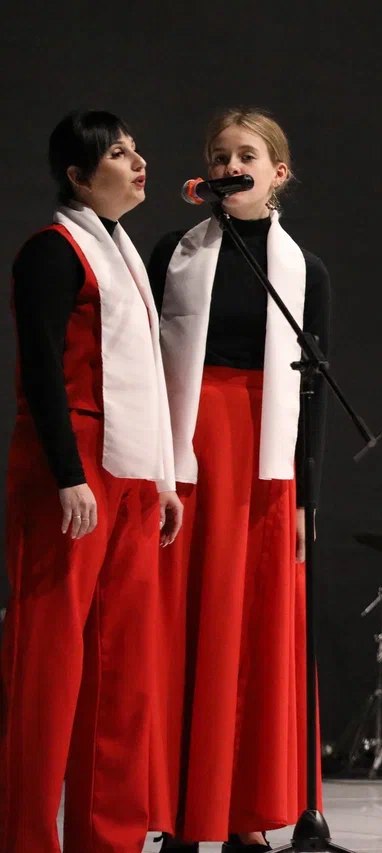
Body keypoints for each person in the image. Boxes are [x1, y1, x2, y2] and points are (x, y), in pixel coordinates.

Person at [148, 109, 330, 853]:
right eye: (219, 155)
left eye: (246, 155)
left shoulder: (304, 270)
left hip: (264, 463)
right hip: (188, 455)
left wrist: (306, 500)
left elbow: (313, 389)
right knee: (185, 627)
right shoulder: (174, 252)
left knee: (252, 630)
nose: (230, 166)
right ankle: (178, 810)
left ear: (278, 173)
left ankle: (243, 812)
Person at [0, 110, 181, 852]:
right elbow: (41, 369)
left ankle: (108, 840)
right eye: (118, 154)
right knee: (46, 663)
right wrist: (68, 475)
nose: (138, 163)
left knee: (122, 665)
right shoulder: (53, 250)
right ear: (78, 176)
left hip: (129, 469)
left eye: (137, 149)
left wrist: (163, 477)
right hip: (71, 466)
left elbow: (145, 375)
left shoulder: (124, 254)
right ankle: (25, 838)